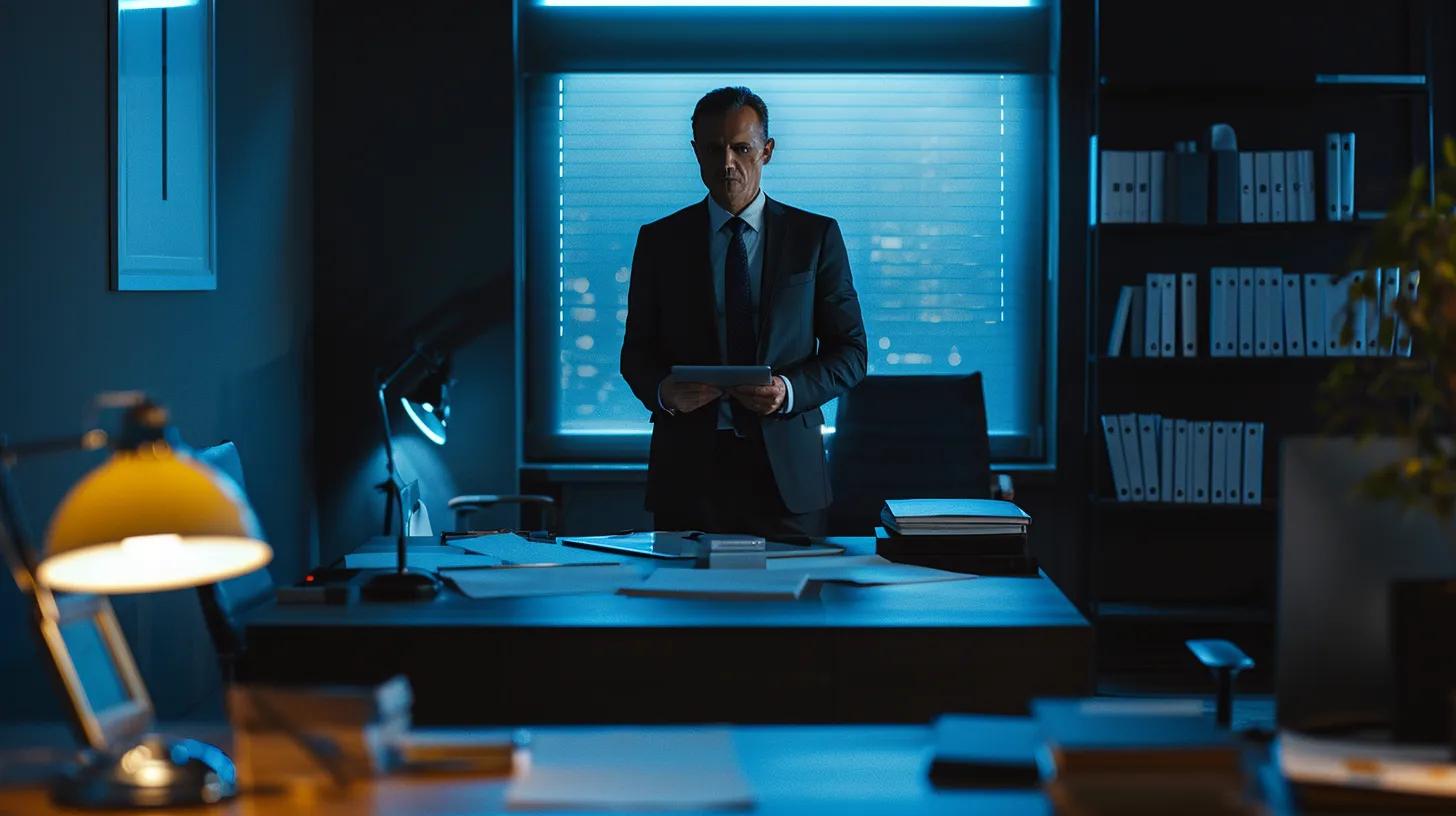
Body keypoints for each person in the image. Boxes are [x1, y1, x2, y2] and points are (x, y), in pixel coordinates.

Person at [620, 86, 867, 539]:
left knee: (796, 609)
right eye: (713, 149)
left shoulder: (815, 237)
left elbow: (851, 353)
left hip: (788, 475)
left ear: (767, 151)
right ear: (695, 152)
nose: (727, 162)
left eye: (741, 148)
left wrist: (788, 390)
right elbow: (636, 353)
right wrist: (664, 392)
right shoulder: (660, 242)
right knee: (686, 607)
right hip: (688, 474)